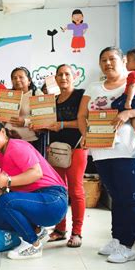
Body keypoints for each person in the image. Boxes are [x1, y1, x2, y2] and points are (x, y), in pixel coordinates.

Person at [77, 46, 135, 263]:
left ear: (124, 60)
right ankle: (117, 239)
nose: (108, 63)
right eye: (103, 60)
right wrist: (85, 135)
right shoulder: (93, 87)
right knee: (117, 197)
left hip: (130, 150)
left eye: (112, 59)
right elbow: (81, 115)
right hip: (101, 151)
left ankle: (127, 245)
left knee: (128, 197)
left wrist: (129, 113)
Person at [0, 120, 67, 259]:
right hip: (35, 200)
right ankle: (37, 231)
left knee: (6, 201)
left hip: (53, 199)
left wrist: (8, 181)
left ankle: (33, 244)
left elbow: (36, 173)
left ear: (3, 132)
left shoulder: (16, 146)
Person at [42, 64, 87, 247]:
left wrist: (61, 125)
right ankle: (60, 229)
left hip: (76, 149)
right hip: (55, 151)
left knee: (76, 190)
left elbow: (84, 121)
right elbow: (46, 123)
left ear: (74, 76)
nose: (63, 78)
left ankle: (77, 232)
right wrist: (37, 124)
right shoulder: (52, 99)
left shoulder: (81, 95)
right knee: (59, 190)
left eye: (67, 74)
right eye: (59, 75)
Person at [4, 66, 46, 156]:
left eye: (21, 77)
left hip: (30, 142)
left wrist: (25, 122)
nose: (17, 80)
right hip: (9, 141)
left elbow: (45, 121)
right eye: (14, 78)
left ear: (29, 80)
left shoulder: (37, 95)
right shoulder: (7, 96)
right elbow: (2, 120)